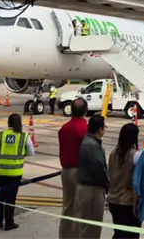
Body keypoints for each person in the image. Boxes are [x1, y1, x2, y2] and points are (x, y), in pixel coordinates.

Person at [0, 113, 34, 231]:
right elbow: (31, 152)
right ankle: (9, 222)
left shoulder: (0, 135)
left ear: (8, 123)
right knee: (11, 199)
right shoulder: (24, 136)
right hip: (15, 173)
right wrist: (19, 154)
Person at [58, 98, 88, 239]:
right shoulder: (84, 129)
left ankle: (64, 236)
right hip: (80, 172)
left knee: (67, 207)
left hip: (66, 170)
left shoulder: (64, 128)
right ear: (85, 111)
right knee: (80, 209)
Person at [76, 115, 110, 239]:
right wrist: (108, 185)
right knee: (92, 228)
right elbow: (100, 168)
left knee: (87, 227)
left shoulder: (89, 141)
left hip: (87, 188)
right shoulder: (92, 145)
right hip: (92, 190)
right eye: (103, 128)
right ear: (99, 130)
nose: (104, 131)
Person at [108, 123, 141, 239]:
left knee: (119, 233)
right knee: (132, 235)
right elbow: (136, 182)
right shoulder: (135, 155)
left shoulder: (113, 154)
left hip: (113, 199)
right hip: (128, 202)